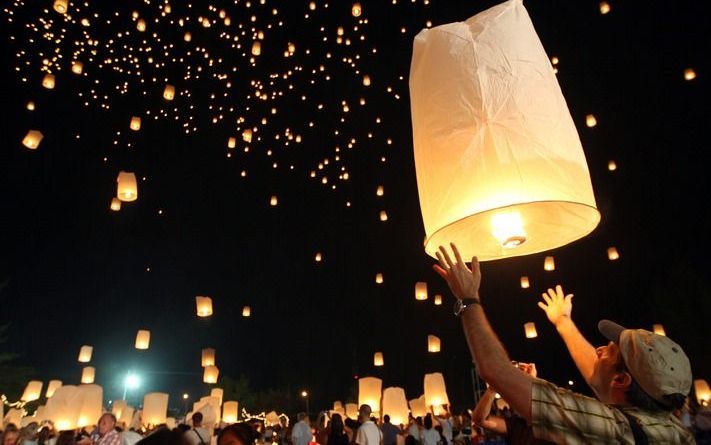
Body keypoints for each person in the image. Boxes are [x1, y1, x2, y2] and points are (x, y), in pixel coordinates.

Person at [433, 243, 696, 444]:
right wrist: (563, 322)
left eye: (607, 352)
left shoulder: (612, 429)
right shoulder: (677, 433)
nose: (598, 351)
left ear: (622, 381)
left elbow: (495, 369)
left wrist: (468, 298)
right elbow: (598, 376)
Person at [472, 363, 554, 444]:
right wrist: (492, 388)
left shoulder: (549, 423)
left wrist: (532, 382)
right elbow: (479, 420)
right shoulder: (516, 424)